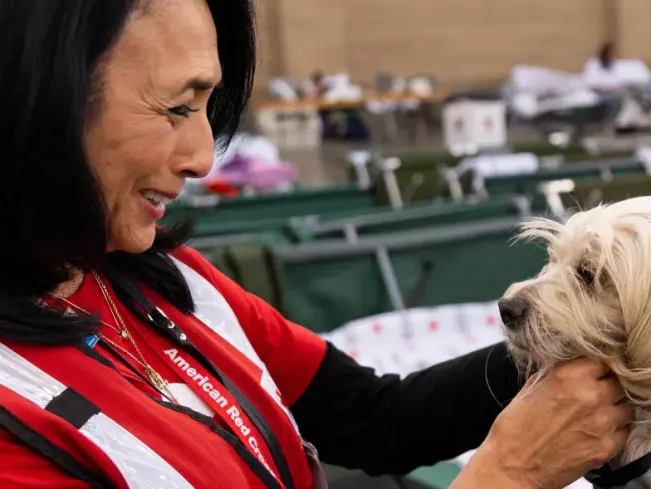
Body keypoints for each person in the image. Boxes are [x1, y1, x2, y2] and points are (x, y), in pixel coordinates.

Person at [0, 1, 630, 488]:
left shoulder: (159, 278)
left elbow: (374, 418)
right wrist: (507, 472)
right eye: (175, 107)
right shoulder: (17, 425)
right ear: (37, 94)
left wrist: (572, 340)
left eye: (207, 108)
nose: (200, 158)